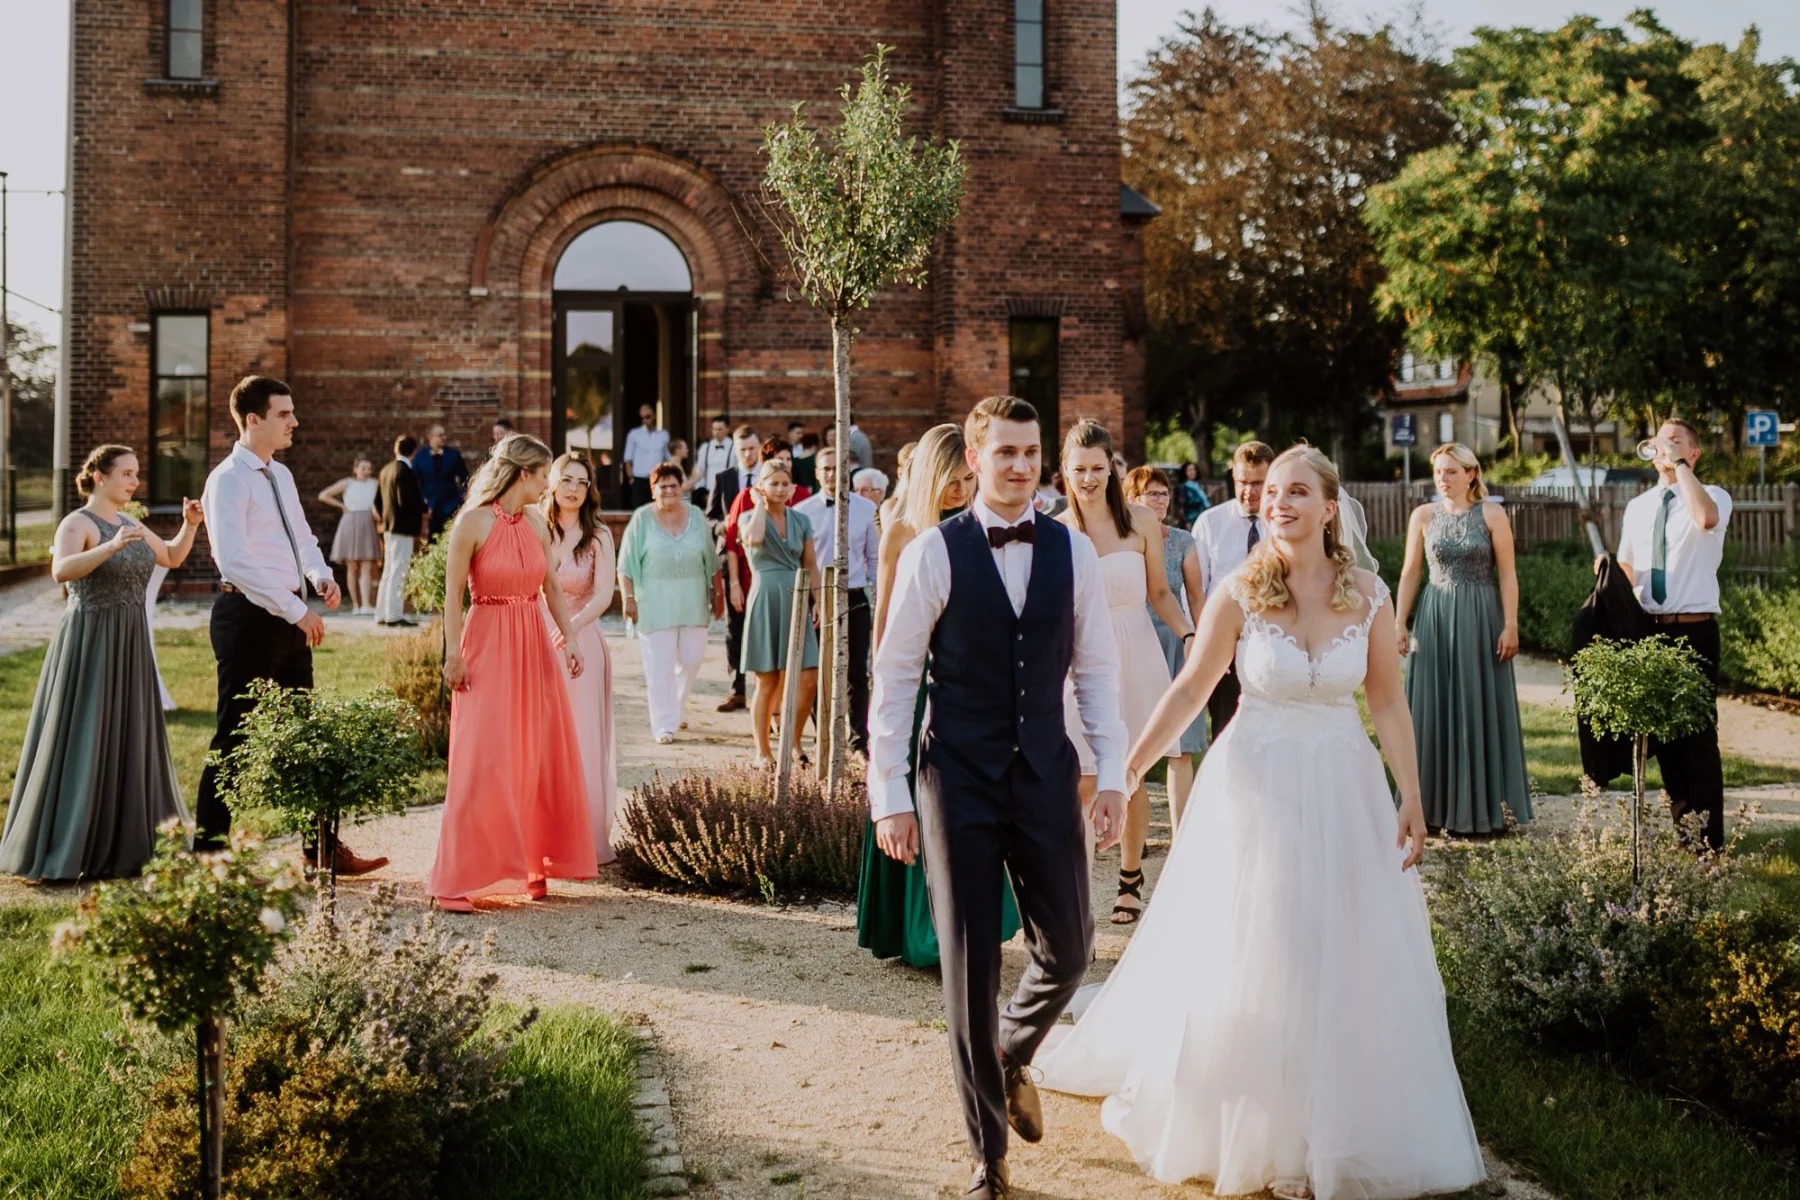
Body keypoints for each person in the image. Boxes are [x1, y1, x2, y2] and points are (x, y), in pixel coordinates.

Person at [1039, 445, 1485, 1200]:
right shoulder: (1239, 590)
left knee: (1340, 943)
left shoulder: (1370, 594)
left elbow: (1385, 701)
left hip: (1343, 784)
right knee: (1259, 941)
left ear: (1328, 507)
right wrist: (1127, 769)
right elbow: (1189, 692)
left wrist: (1410, 793)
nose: (1279, 503)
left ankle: (1338, 1114)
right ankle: (1254, 1118)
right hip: (1254, 785)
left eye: (1297, 492)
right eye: (1272, 491)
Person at [869, 396, 1130, 1200]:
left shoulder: (1071, 551)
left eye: (1030, 452)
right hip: (958, 777)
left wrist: (1113, 773)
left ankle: (1010, 1051)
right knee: (971, 963)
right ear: (974, 459)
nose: (1020, 466)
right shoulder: (933, 553)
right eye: (1005, 452)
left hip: (1046, 772)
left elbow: (1096, 670)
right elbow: (896, 674)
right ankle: (989, 1157)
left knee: (1073, 944)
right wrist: (890, 794)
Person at [194, 376, 386, 875]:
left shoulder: (281, 475)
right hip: (246, 619)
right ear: (252, 419)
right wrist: (296, 609)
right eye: (285, 414)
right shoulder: (228, 479)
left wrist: (318, 575)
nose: (295, 422)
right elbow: (232, 558)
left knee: (305, 734)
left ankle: (319, 850)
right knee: (234, 736)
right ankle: (209, 853)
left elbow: (300, 533)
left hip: (288, 617)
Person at [858, 424, 1022, 969]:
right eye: (950, 482)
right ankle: (918, 933)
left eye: (965, 480)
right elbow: (884, 620)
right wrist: (886, 684)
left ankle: (970, 924)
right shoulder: (902, 530)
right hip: (914, 679)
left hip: (967, 682)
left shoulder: (978, 529)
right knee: (914, 795)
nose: (959, 490)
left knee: (964, 802)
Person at [0, 446, 201, 881]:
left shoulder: (132, 523)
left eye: (135, 474)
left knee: (128, 732)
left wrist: (189, 526)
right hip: (90, 639)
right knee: (87, 730)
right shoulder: (78, 523)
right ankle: (72, 844)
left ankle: (123, 843)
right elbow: (61, 570)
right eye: (126, 474)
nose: (134, 482)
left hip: (129, 642)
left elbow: (171, 556)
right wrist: (109, 547)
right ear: (99, 477)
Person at [429, 434, 599, 911]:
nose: (550, 483)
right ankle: (455, 878)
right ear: (523, 474)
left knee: (534, 752)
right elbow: (451, 596)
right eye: (544, 474)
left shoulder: (536, 525)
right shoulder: (472, 522)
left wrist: (570, 639)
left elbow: (552, 589)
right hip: (485, 641)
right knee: (482, 758)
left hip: (533, 642)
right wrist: (452, 654)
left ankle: (530, 863)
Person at [1058, 421, 1191, 925]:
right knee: (1085, 779)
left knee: (1131, 774)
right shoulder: (1054, 528)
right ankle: (1076, 896)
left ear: (1113, 468)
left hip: (1136, 649)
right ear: (1065, 472)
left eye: (1098, 468)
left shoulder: (1140, 521)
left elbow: (1160, 592)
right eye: (1079, 470)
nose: (1089, 479)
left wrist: (1190, 636)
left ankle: (1130, 879)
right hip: (1080, 662)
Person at [1395, 443, 1532, 835]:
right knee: (1431, 707)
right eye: (1439, 471)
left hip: (1480, 616)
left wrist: (1510, 623)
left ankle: (1483, 810)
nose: (1443, 478)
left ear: (1471, 474)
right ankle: (1430, 809)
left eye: (1451, 472)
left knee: (1476, 702)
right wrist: (1398, 622)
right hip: (1434, 615)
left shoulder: (1491, 514)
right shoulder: (1422, 516)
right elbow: (1409, 573)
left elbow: (1507, 573)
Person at [1615, 417, 1733, 849]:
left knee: (1697, 738)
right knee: (1663, 739)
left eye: (1676, 441)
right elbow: (1629, 569)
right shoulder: (1638, 507)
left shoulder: (1712, 496)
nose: (1664, 446)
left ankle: (1709, 844)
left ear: (1694, 453)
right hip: (1651, 631)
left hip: (1695, 632)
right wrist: (1610, 577)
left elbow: (1705, 520)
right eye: (1660, 440)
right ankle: (1685, 834)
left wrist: (1680, 465)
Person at [541, 452, 620, 860]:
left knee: (581, 735)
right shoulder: (535, 526)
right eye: (566, 480)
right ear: (551, 482)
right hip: (536, 636)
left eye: (581, 482)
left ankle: (581, 838)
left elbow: (605, 594)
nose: (573, 489)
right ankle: (542, 835)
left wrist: (569, 629)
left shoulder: (600, 535)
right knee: (542, 737)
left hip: (582, 638)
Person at [1123, 466, 1208, 829]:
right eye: (1150, 494)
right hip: (1133, 640)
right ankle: (1130, 830)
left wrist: (1202, 643)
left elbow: (1195, 596)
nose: (1158, 500)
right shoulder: (1122, 540)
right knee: (1131, 744)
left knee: (1181, 745)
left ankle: (1181, 833)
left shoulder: (1182, 542)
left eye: (1162, 493)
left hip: (1174, 641)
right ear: (1132, 499)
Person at [619, 463, 724, 745]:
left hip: (692, 602)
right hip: (653, 605)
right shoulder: (641, 519)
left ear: (681, 488)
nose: (668, 490)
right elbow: (626, 564)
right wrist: (628, 598)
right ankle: (664, 725)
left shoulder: (697, 516)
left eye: (673, 485)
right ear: (653, 490)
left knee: (693, 658)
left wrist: (717, 594)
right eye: (662, 486)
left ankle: (674, 708)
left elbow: (712, 559)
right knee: (659, 668)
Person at [733, 460, 822, 768]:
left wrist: (818, 601)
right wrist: (759, 505)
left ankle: (793, 742)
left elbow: (810, 562)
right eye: (774, 484)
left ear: (793, 487)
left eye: (786, 483)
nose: (781, 489)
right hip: (766, 598)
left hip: (797, 596)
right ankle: (762, 750)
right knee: (767, 679)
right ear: (762, 487)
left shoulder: (801, 520)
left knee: (808, 675)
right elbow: (754, 539)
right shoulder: (748, 517)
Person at [794, 447, 880, 753]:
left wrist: (877, 597)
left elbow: (874, 559)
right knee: (817, 670)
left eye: (837, 467)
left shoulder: (866, 509)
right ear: (817, 473)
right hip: (817, 599)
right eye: (826, 468)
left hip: (854, 596)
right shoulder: (802, 512)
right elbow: (801, 561)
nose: (832, 474)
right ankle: (824, 739)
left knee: (856, 671)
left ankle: (860, 742)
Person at [1191, 440, 1273, 737]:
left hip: (1271, 640)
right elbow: (1197, 590)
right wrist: (1205, 641)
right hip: (1225, 642)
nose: (1249, 491)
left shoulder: (1283, 523)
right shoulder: (1210, 523)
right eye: (1242, 482)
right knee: (1225, 727)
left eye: (1257, 483)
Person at [707, 426, 762, 712]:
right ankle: (736, 689)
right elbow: (710, 517)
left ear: (760, 447)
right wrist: (728, 525)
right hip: (732, 561)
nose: (748, 454)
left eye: (752, 448)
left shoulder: (769, 478)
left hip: (764, 560)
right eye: (742, 449)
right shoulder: (723, 478)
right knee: (734, 628)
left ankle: (764, 691)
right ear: (736, 451)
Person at [373, 434, 427, 627]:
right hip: (402, 527)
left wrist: (386, 519)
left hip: (389, 527)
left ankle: (381, 613)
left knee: (388, 570)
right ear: (414, 451)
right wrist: (424, 507)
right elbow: (407, 501)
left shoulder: (386, 470)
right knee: (399, 570)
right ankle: (394, 615)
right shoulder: (405, 471)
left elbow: (377, 502)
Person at [319, 453, 382, 616]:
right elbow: (324, 495)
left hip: (367, 521)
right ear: (355, 469)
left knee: (367, 564)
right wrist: (341, 506)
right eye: (363, 468)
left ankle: (367, 604)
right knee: (353, 566)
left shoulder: (375, 484)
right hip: (350, 521)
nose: (367, 471)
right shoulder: (347, 483)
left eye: (369, 468)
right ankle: (356, 604)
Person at [413, 422, 470, 538]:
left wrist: (459, 501)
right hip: (429, 509)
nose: (444, 438)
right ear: (430, 437)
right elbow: (414, 484)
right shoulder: (419, 457)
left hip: (451, 506)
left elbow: (466, 480)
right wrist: (422, 503)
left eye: (444, 435)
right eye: (440, 435)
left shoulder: (454, 456)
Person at [622, 404, 671, 509]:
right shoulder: (634, 434)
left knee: (658, 509)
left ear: (654, 416)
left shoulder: (663, 435)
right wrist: (631, 478)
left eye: (647, 417)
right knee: (639, 510)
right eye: (642, 418)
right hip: (639, 479)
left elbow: (668, 458)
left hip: (657, 479)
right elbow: (628, 459)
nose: (645, 420)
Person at [690, 415, 735, 514]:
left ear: (727, 429)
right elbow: (700, 470)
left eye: (719, 429)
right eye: (714, 429)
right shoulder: (705, 448)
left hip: (725, 492)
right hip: (707, 491)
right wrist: (702, 491)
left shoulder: (734, 448)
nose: (716, 432)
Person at [1177, 461, 1209, 526]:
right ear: (1185, 472)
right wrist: (1187, 522)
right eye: (1189, 470)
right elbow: (1181, 507)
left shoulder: (1199, 485)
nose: (1192, 472)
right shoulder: (1183, 488)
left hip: (1203, 518)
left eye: (1194, 469)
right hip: (1192, 519)